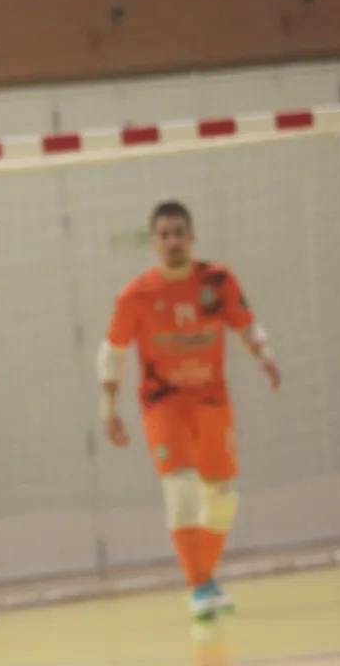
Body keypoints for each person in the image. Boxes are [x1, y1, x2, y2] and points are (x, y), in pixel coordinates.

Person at [99, 201, 281, 620]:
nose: (173, 241)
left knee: (221, 502)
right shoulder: (136, 295)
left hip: (212, 403)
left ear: (192, 237)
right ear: (153, 242)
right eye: (164, 234)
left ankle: (204, 580)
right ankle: (200, 588)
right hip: (164, 404)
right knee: (180, 492)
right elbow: (113, 351)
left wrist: (265, 355)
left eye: (180, 232)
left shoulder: (216, 280)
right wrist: (109, 407)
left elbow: (245, 322)